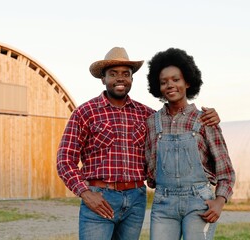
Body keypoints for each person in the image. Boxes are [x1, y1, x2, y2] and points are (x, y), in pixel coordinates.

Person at [56, 47, 220, 240]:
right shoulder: (86, 112)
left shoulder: (147, 115)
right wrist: (84, 192)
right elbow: (65, 160)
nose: (120, 78)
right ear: (103, 79)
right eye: (113, 74)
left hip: (135, 199)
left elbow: (175, 120)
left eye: (126, 74)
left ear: (132, 79)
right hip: (99, 198)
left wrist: (210, 117)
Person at [145, 48, 236, 240]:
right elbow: (150, 167)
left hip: (199, 202)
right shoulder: (152, 122)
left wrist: (219, 201)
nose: (170, 85)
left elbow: (225, 170)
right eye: (164, 82)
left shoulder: (205, 120)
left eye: (176, 79)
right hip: (163, 203)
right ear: (158, 87)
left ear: (187, 82)